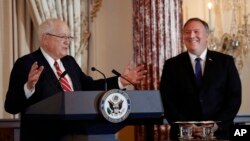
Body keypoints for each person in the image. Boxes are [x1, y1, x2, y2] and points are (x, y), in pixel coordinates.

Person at [4, 18, 146, 141]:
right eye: (62, 37)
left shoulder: (69, 62)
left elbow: (89, 87)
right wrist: (28, 87)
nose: (67, 42)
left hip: (79, 135)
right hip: (44, 137)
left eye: (69, 38)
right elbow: (11, 106)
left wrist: (121, 81)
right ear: (45, 38)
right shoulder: (26, 63)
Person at [160, 17, 241, 140]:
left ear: (207, 36)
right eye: (187, 32)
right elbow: (167, 101)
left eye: (196, 31)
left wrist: (216, 125)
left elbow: (234, 98)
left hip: (219, 135)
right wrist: (186, 126)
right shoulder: (171, 65)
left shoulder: (225, 62)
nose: (191, 35)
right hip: (184, 135)